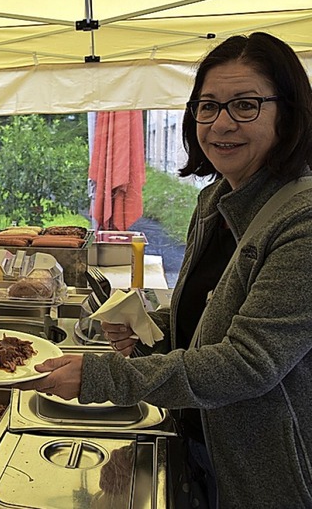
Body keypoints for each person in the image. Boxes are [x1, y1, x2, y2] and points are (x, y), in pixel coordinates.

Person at [21, 32, 312, 508]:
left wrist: (103, 377)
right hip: (199, 438)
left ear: (290, 113)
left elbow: (248, 363)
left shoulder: (301, 219)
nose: (221, 123)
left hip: (262, 469)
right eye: (208, 106)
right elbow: (208, 313)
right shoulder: (216, 202)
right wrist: (150, 328)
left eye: (245, 105)